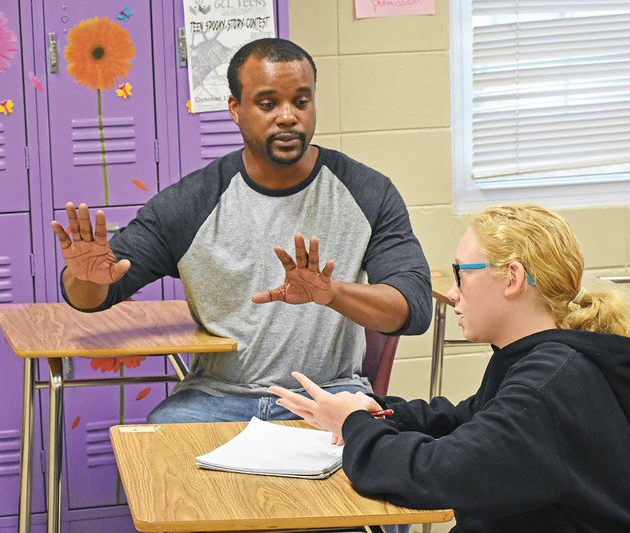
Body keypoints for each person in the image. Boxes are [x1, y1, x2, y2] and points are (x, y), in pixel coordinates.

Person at [49, 38, 432, 423]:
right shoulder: (191, 203)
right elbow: (93, 297)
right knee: (157, 457)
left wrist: (332, 293)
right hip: (216, 397)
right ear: (235, 109)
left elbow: (413, 307)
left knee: (368, 467)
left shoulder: (368, 192)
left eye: (301, 101)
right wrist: (87, 279)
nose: (287, 116)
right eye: (268, 104)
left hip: (328, 393)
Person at [270, 204, 630, 533]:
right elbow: (466, 421)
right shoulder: (537, 362)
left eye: (462, 273)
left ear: (511, 278)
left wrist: (356, 426)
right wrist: (379, 412)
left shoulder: (549, 384)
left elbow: (441, 474)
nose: (454, 292)